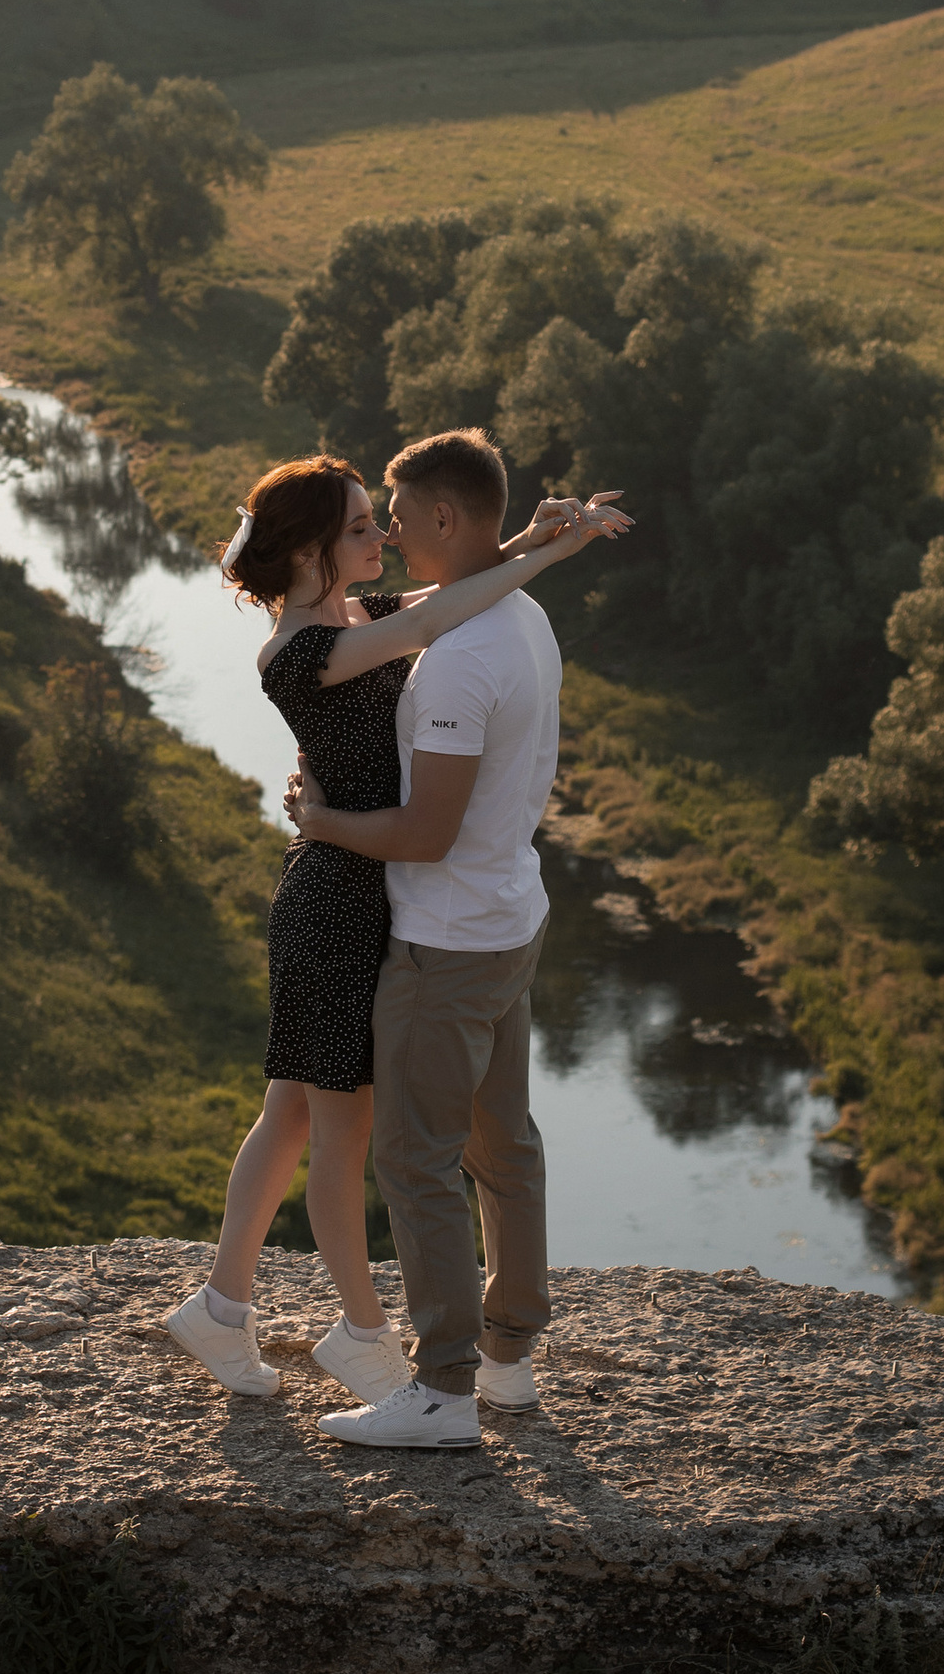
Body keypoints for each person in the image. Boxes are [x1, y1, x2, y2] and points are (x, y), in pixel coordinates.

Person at [165, 451, 628, 1406]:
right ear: (306, 553)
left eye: (383, 522)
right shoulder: (302, 650)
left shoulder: (354, 616)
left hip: (356, 885)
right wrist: (549, 556)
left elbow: (450, 587)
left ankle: (218, 1307)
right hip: (337, 902)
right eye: (360, 528)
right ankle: (366, 1335)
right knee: (341, 1132)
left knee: (291, 1110)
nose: (383, 537)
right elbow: (436, 618)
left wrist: (532, 539)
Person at [289, 426, 589, 1452]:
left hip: (446, 942)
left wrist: (320, 821)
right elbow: (443, 599)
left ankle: (445, 1390)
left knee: (416, 1162)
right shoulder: (522, 615)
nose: (395, 535)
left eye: (404, 517)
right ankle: (508, 1364)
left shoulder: (460, 662)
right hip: (512, 920)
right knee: (503, 1148)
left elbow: (424, 834)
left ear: (448, 518)